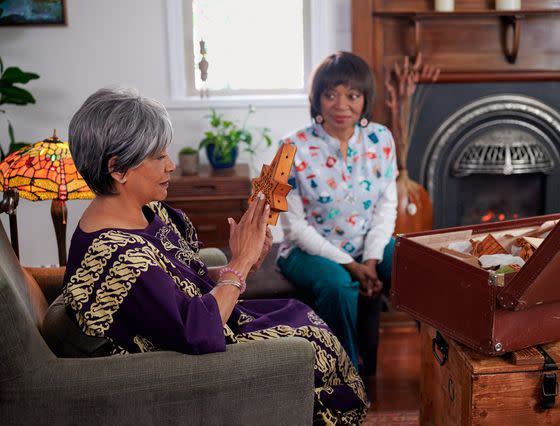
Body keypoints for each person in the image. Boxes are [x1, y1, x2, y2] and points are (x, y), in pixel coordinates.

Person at [62, 87, 368, 424]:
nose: (172, 165)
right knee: (314, 346)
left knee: (302, 315)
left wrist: (243, 261)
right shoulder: (116, 256)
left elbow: (180, 279)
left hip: (213, 320)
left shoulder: (145, 212)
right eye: (159, 157)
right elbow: (195, 330)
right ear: (118, 169)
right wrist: (238, 266)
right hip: (192, 362)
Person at [277, 52, 398, 379]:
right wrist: (351, 264)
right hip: (307, 250)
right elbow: (295, 227)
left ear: (364, 100)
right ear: (316, 100)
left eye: (352, 95)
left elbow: (386, 208)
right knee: (339, 286)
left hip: (366, 244)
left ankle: (439, 360)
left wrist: (371, 259)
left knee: (413, 263)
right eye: (330, 95)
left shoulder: (381, 139)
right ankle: (344, 375)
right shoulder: (290, 148)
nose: (341, 105)